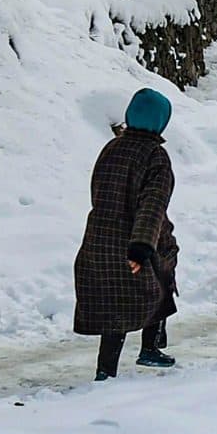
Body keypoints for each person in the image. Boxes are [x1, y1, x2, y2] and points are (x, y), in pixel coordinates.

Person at [76, 88, 181, 377]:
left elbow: (99, 189)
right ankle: (149, 349)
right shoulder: (155, 156)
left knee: (115, 301)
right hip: (137, 239)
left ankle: (105, 371)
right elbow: (152, 205)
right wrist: (142, 245)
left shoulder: (112, 148)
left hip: (99, 237)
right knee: (160, 283)